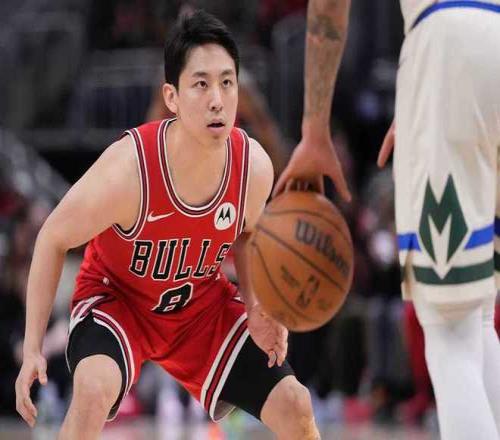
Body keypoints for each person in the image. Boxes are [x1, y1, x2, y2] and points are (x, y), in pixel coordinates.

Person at [15, 11, 320, 440]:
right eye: (201, 84)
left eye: (227, 82)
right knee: (92, 391)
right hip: (118, 302)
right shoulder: (128, 170)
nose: (217, 99)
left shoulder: (253, 168)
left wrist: (255, 305)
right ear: (171, 97)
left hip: (199, 308)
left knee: (296, 405)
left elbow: (248, 234)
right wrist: (32, 348)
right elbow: (52, 237)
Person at [274, 1, 500, 439]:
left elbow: (328, 7)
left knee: (450, 331)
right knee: (478, 315)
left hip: (447, 37)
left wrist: (315, 129)